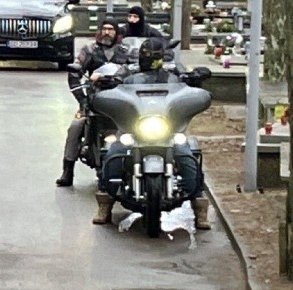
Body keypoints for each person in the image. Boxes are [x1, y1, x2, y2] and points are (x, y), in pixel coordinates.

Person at [93, 38, 209, 228]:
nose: (150, 60)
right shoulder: (128, 71)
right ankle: (105, 203)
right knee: (114, 153)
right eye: (147, 56)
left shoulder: (174, 71)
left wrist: (195, 77)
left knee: (187, 156)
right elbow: (115, 82)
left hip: (168, 128)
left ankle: (200, 207)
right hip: (133, 127)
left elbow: (188, 82)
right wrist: (108, 83)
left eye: (155, 56)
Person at [55, 16, 129, 187]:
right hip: (94, 100)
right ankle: (68, 170)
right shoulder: (89, 49)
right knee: (76, 126)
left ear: (117, 32)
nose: (107, 32)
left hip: (123, 100)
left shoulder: (127, 50)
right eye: (105, 29)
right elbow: (75, 71)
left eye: (111, 29)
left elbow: (139, 67)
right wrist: (82, 99)